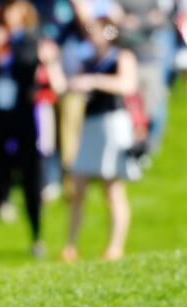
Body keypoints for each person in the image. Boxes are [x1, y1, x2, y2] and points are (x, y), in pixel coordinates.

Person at [0, 0, 65, 256]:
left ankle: (36, 237)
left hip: (24, 119)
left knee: (31, 179)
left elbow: (39, 74)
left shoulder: (33, 40)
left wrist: (45, 60)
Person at [61, 16, 139, 262]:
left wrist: (95, 82)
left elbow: (128, 85)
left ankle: (115, 247)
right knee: (78, 186)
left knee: (112, 187)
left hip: (112, 123)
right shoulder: (88, 61)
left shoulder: (121, 57)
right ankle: (70, 246)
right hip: (90, 124)